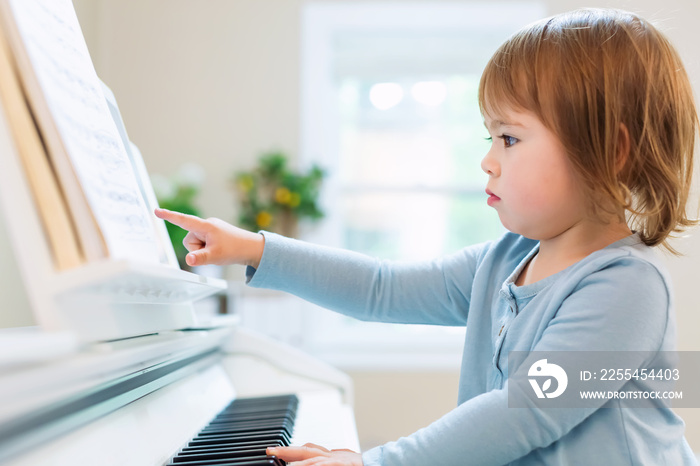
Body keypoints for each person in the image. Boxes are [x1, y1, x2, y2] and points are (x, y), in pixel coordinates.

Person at [155, 7, 699, 466]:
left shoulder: (628, 287)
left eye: (509, 138)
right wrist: (255, 249)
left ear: (612, 150)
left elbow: (525, 411)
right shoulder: (507, 259)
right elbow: (382, 288)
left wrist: (373, 461)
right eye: (490, 137)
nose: (487, 161)